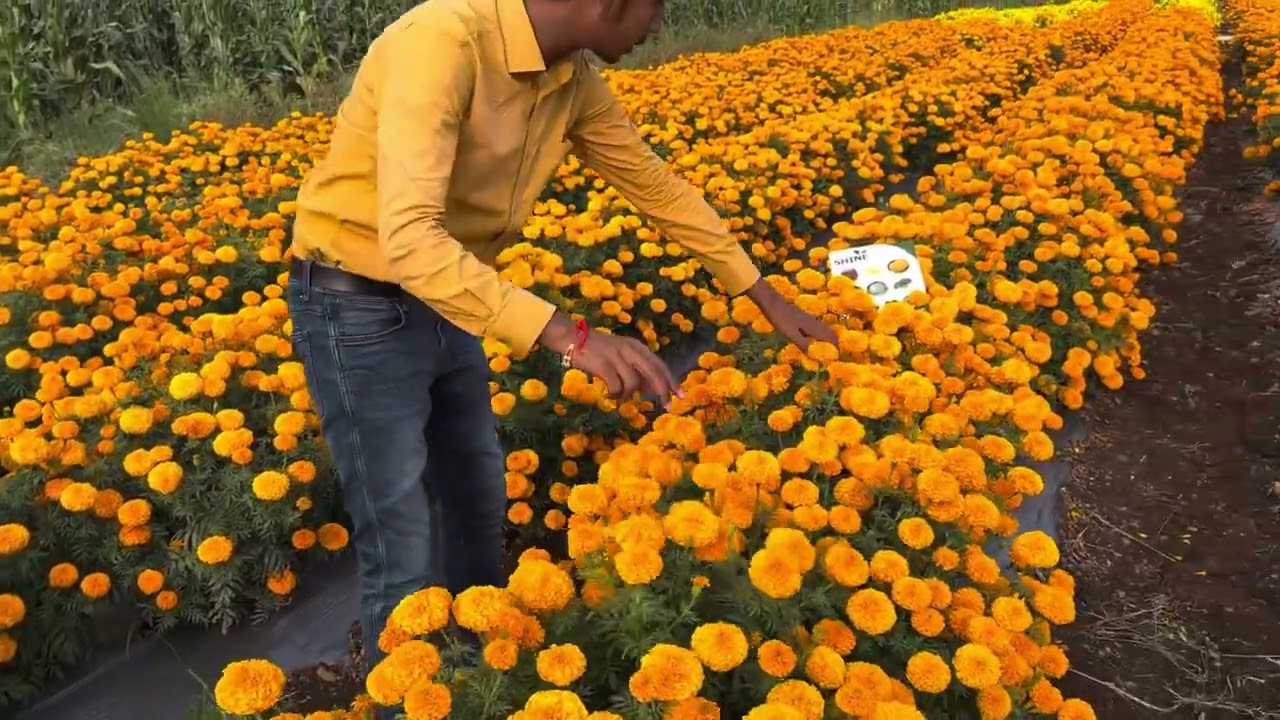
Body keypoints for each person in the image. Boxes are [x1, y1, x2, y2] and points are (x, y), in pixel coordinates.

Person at [284, 0, 836, 708]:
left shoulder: (569, 78)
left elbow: (656, 187)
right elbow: (411, 239)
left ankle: (481, 684)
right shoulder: (443, 44)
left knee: (478, 501)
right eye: (656, 9)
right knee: (400, 542)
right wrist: (573, 336)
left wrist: (764, 295)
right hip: (358, 303)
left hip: (452, 292)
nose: (656, 28)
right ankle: (405, 702)